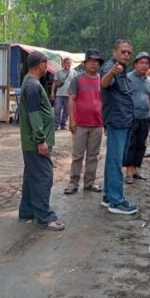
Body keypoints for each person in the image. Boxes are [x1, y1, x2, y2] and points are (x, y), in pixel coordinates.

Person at [18, 51, 65, 231]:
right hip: (35, 142)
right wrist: (40, 140)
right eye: (47, 63)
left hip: (31, 142)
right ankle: (44, 217)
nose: (48, 67)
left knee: (32, 177)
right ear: (42, 65)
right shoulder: (32, 86)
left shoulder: (30, 83)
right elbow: (34, 115)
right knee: (43, 177)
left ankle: (27, 212)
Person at [100, 39, 138, 215]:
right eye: (123, 51)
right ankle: (116, 201)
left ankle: (108, 196)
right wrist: (113, 72)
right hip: (117, 121)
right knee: (116, 161)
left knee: (113, 160)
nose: (126, 55)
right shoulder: (111, 67)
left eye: (129, 52)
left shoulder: (122, 70)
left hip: (125, 120)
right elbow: (104, 83)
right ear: (115, 52)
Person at [64, 49, 105, 194]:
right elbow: (71, 100)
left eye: (97, 61)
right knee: (77, 156)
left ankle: (89, 183)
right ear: (85, 63)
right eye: (91, 61)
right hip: (80, 124)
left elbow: (105, 102)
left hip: (97, 124)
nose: (94, 64)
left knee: (93, 156)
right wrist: (71, 120)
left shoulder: (102, 79)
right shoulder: (78, 79)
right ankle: (73, 183)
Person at [124, 52, 150, 184]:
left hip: (145, 117)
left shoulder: (149, 80)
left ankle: (135, 171)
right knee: (130, 144)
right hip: (131, 117)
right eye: (142, 63)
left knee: (141, 144)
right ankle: (128, 171)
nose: (145, 66)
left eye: (147, 63)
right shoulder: (128, 78)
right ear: (135, 64)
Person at [51, 57, 75, 130]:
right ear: (63, 63)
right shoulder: (59, 71)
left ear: (71, 64)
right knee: (57, 109)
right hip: (59, 94)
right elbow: (54, 82)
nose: (67, 64)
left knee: (66, 111)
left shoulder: (74, 72)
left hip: (69, 95)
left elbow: (76, 83)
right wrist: (52, 92)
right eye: (66, 62)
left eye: (69, 63)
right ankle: (56, 125)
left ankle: (63, 125)